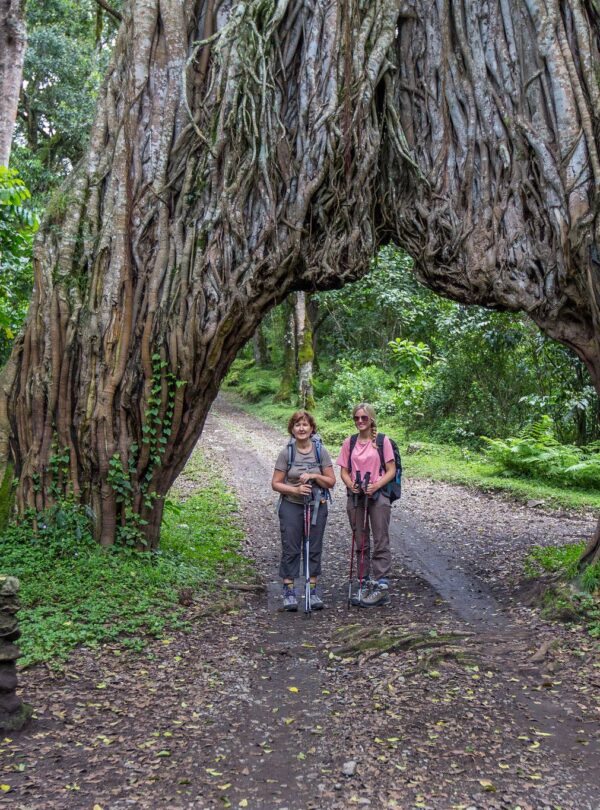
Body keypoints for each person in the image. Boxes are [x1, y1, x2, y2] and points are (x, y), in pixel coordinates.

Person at [272, 410, 336, 611]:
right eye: (297, 425)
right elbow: (275, 483)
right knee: (291, 547)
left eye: (305, 425)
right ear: (292, 429)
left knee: (314, 547)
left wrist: (313, 477)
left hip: (317, 505)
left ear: (312, 428)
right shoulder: (287, 452)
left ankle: (312, 590)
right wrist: (295, 489)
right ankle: (289, 591)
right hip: (291, 505)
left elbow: (331, 481)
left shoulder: (320, 451)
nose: (301, 428)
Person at [337, 403, 396, 606]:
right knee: (360, 539)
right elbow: (343, 470)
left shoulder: (382, 441)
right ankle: (363, 582)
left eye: (363, 418)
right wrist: (350, 484)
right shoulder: (350, 442)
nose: (360, 421)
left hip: (378, 496)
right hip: (356, 496)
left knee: (381, 538)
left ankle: (381, 585)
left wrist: (376, 485)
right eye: (356, 418)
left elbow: (391, 470)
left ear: (371, 419)